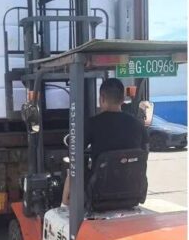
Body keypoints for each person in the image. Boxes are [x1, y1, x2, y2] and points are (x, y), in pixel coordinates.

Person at [62, 78, 148, 206]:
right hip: (132, 190)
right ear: (123, 99)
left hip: (99, 191)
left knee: (73, 167)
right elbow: (145, 152)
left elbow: (75, 153)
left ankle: (64, 205)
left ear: (101, 98)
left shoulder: (93, 124)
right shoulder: (138, 124)